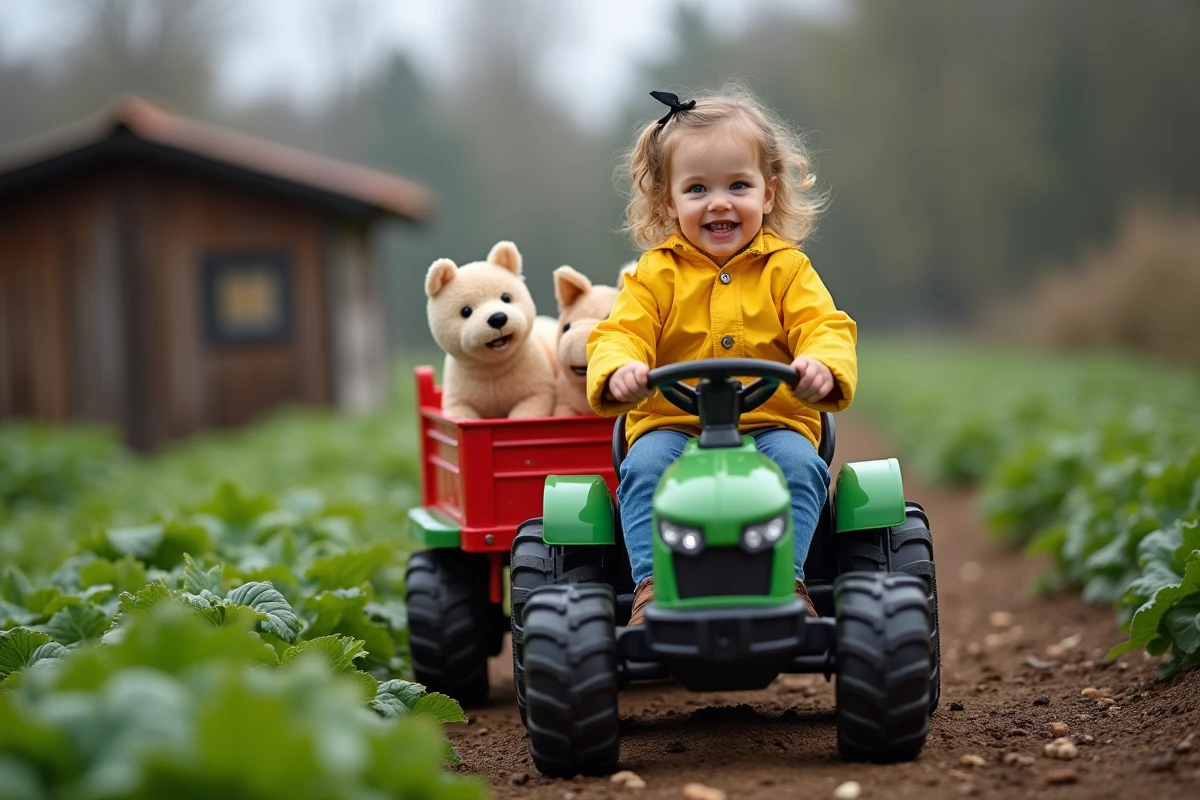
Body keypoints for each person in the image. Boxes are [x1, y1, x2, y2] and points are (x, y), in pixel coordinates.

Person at [586, 85, 858, 625]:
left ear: (769, 192)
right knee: (641, 468)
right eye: (697, 189)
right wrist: (620, 370)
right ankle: (650, 587)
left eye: (738, 184)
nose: (719, 202)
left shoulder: (789, 270)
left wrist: (821, 367)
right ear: (669, 202)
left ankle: (790, 582)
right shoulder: (653, 275)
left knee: (803, 467)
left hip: (773, 421)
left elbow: (823, 326)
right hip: (673, 425)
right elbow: (619, 332)